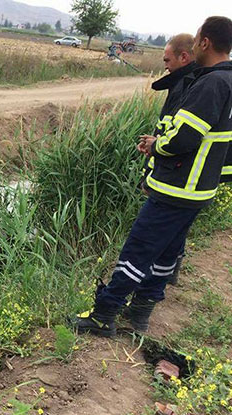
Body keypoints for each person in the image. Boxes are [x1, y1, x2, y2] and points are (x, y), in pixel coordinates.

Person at [74, 16, 232, 337]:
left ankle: (104, 314)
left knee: (139, 248)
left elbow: (185, 138)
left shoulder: (211, 83)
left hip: (178, 185)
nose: (195, 44)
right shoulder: (228, 81)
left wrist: (155, 145)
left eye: (197, 39)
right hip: (199, 188)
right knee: (166, 251)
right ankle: (141, 311)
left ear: (204, 43)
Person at [136, 34, 196, 287]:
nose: (165, 65)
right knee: (178, 228)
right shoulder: (191, 82)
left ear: (184, 57)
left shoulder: (188, 85)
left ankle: (149, 284)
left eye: (167, 60)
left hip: (173, 178)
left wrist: (151, 163)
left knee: (151, 236)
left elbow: (176, 137)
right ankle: (169, 273)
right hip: (191, 181)